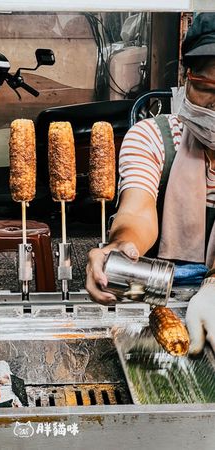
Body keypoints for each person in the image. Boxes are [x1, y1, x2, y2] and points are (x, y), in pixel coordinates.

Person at [86, 13, 215, 355]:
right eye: (206, 88)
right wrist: (119, 249)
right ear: (186, 80)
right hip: (152, 325)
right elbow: (137, 213)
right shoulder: (154, 138)